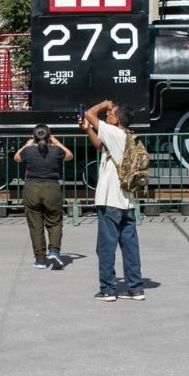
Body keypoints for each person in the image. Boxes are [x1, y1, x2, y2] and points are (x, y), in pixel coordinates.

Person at [82, 99, 143, 301]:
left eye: (110, 114)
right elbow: (100, 145)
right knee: (130, 246)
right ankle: (135, 288)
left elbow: (90, 113)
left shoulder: (115, 132)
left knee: (105, 247)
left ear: (116, 119)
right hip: (127, 200)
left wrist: (103, 104)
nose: (106, 116)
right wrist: (89, 130)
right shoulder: (126, 136)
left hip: (111, 200)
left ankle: (108, 289)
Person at [13, 124, 74, 269]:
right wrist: (57, 141)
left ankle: (40, 260)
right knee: (54, 222)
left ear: (34, 136)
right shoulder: (56, 150)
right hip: (52, 188)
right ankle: (54, 251)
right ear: (49, 137)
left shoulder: (28, 151)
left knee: (35, 226)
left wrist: (27, 144)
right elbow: (70, 155)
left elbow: (16, 157)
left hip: (31, 189)